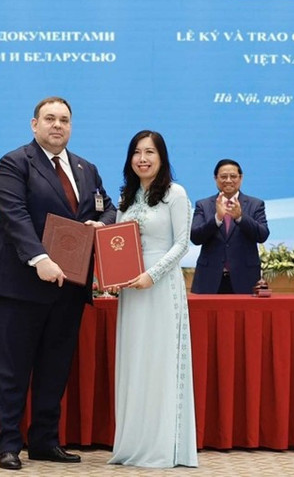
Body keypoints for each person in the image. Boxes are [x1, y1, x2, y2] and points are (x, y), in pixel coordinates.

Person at [0, 97, 116, 471]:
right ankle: (8, 444)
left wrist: (102, 223)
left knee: (54, 367)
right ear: (34, 124)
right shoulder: (14, 162)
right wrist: (40, 259)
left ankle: (44, 441)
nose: (57, 125)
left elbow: (106, 205)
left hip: (69, 287)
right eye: (49, 119)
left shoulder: (85, 168)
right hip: (22, 283)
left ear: (71, 127)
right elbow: (13, 214)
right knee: (12, 369)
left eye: (64, 120)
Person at [108, 130, 198, 469]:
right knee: (136, 361)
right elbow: (115, 243)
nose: (142, 158)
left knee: (160, 362)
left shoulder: (175, 194)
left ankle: (162, 446)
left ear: (162, 158)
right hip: (131, 290)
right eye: (136, 152)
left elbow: (182, 244)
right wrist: (112, 278)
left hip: (160, 287)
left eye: (150, 152)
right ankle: (134, 443)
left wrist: (152, 274)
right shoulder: (126, 198)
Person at [190, 159, 270, 294]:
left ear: (241, 178)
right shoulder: (203, 205)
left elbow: (262, 235)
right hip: (209, 278)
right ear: (215, 178)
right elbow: (195, 237)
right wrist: (217, 218)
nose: (228, 180)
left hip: (245, 278)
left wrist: (240, 217)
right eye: (223, 176)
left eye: (233, 176)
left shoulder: (256, 204)